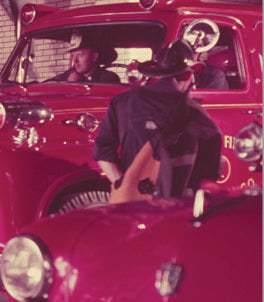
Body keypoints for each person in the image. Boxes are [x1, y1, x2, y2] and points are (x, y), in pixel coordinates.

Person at [93, 39, 222, 203]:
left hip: (130, 206)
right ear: (188, 74)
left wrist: (126, 185)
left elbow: (103, 153)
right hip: (174, 209)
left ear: (158, 73)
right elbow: (209, 173)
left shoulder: (122, 102)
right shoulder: (195, 113)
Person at [48, 33, 120, 84]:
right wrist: (67, 83)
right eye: (73, 56)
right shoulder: (69, 74)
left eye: (80, 55)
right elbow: (46, 85)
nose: (75, 61)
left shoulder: (108, 78)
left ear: (94, 57)